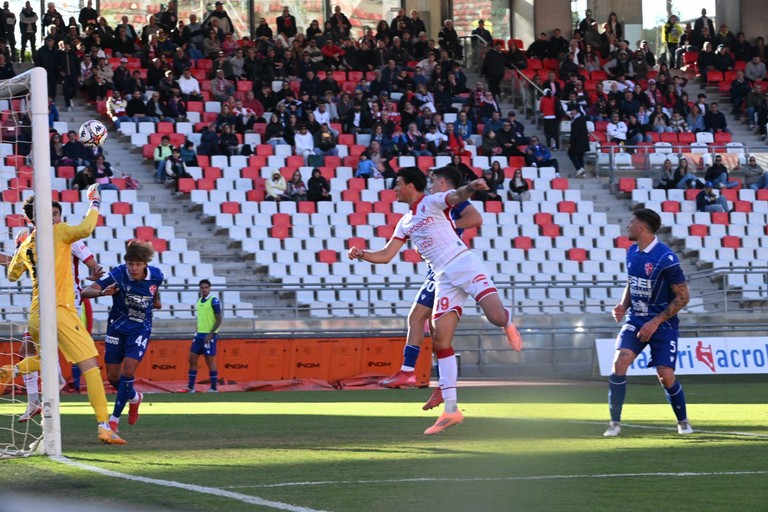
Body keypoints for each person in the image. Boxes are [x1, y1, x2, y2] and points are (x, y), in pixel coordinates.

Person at [347, 166, 522, 435]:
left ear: (410, 186)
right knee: (441, 340)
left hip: (464, 264)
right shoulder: (404, 222)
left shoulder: (431, 202)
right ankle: (451, 410)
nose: (393, 189)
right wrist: (361, 254)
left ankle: (508, 321)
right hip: (442, 277)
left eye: (397, 184)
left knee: (496, 318)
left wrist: (471, 188)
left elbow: (455, 197)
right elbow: (385, 255)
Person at [1, 187, 125, 444]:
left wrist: (18, 247)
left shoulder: (26, 243)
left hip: (36, 315)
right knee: (90, 365)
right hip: (60, 310)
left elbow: (12, 275)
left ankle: (9, 370)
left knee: (44, 361)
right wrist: (94, 201)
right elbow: (86, 228)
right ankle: (104, 425)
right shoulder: (58, 231)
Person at [378, 169, 482, 411]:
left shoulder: (446, 204)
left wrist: (445, 224)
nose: (431, 185)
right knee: (425, 325)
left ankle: (432, 380)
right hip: (436, 268)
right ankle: (436, 382)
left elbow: (476, 219)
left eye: (434, 181)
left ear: (443, 182)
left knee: (432, 329)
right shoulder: (429, 205)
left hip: (448, 266)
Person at [604, 208, 692, 437]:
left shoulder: (666, 258)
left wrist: (655, 322)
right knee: (620, 362)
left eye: (631, 222)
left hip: (663, 324)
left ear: (642, 227)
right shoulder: (632, 251)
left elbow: (683, 297)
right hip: (636, 319)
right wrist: (623, 305)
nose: (628, 226)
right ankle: (614, 423)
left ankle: (683, 421)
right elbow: (632, 283)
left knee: (666, 375)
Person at [81, 240, 163, 436]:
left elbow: (155, 295)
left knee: (128, 369)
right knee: (113, 377)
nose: (134, 268)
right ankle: (135, 398)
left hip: (139, 329)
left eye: (138, 264)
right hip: (116, 329)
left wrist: (155, 303)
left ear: (145, 264)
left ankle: (114, 420)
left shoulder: (156, 276)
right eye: (130, 264)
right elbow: (85, 291)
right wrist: (102, 292)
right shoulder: (118, 274)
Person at [180, 279, 222, 393]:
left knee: (210, 361)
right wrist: (197, 331)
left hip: (209, 335)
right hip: (199, 335)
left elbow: (219, 318)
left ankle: (213, 388)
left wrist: (211, 334)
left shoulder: (214, 301)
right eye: (202, 288)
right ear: (200, 289)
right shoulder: (199, 301)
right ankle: (191, 387)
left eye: (206, 287)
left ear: (210, 288)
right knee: (192, 359)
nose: (204, 289)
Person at [569, 108, 590, 178]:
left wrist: (570, 142)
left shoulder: (578, 120)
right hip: (583, 141)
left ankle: (579, 169)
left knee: (571, 154)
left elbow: (575, 133)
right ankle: (583, 173)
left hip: (577, 142)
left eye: (573, 110)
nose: (571, 112)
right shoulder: (581, 119)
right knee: (580, 157)